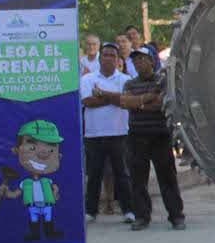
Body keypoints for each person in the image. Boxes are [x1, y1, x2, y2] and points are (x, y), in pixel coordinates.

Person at [120, 46, 185, 231]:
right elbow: (125, 102)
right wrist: (147, 98)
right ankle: (142, 216)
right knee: (138, 179)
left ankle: (176, 216)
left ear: (151, 61)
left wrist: (138, 102)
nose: (139, 63)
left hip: (160, 135)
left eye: (142, 59)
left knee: (168, 178)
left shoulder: (162, 81)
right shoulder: (130, 83)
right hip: (136, 136)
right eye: (135, 60)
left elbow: (162, 103)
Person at [79, 43, 134, 224]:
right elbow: (88, 101)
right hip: (94, 134)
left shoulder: (126, 80)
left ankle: (128, 209)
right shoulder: (88, 79)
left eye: (112, 55)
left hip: (119, 132)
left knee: (122, 174)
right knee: (94, 174)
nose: (108, 58)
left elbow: (126, 102)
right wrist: (113, 98)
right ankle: (91, 211)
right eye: (105, 55)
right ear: (100, 58)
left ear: (118, 59)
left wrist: (102, 94)